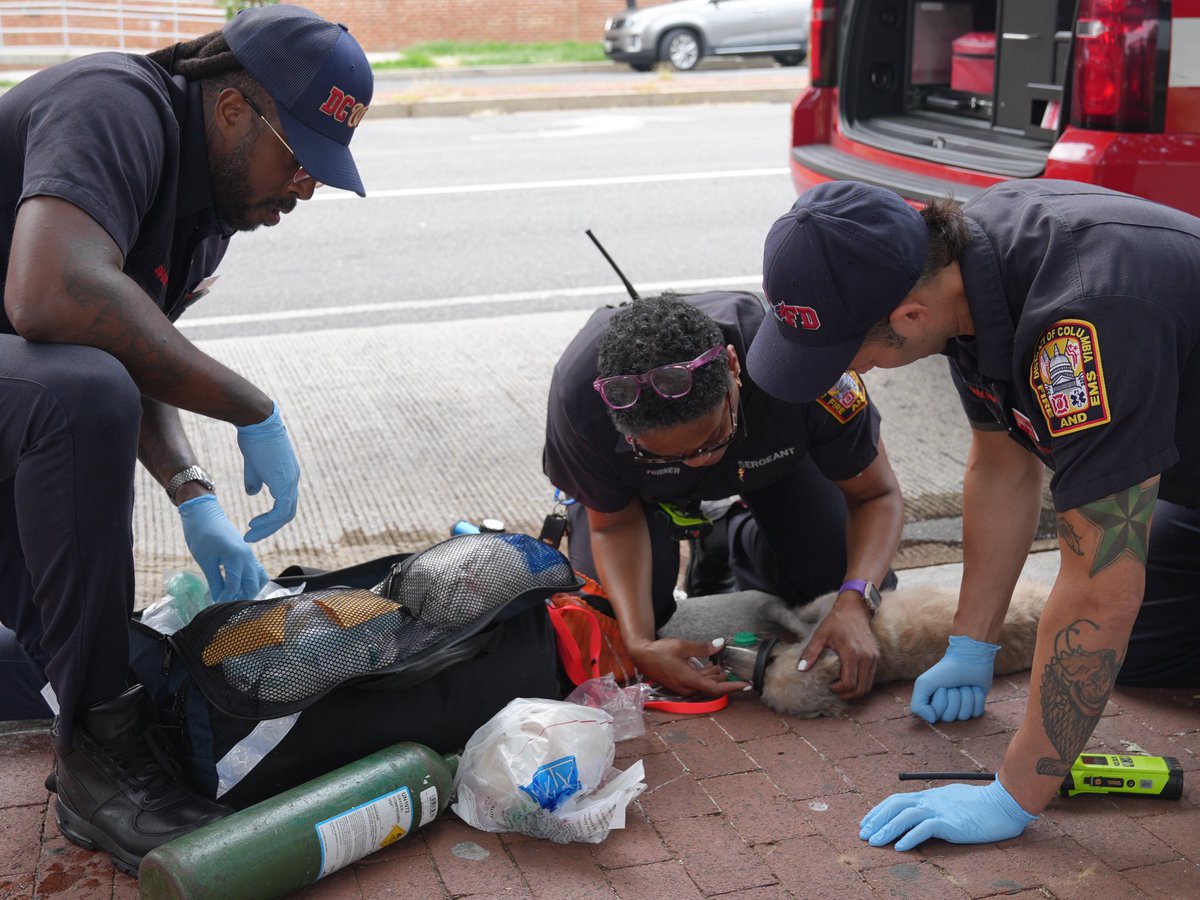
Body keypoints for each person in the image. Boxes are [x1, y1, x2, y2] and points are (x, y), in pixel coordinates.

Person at [0, 4, 373, 873]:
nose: (307, 186)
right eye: (302, 158)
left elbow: (128, 342)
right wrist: (252, 406)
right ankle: (98, 768)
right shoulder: (114, 105)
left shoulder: (205, 222)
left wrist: (193, 489)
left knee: (87, 648)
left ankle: (95, 716)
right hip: (27, 406)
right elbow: (53, 296)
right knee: (78, 398)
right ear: (236, 110)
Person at [747, 178, 1200, 851]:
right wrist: (971, 643)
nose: (859, 374)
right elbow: (1002, 464)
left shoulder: (1081, 321)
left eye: (848, 358)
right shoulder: (962, 274)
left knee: (1104, 619)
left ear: (907, 317)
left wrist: (1015, 793)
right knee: (1130, 657)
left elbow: (1101, 588)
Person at [543, 291, 904, 698]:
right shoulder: (578, 398)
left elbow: (876, 496)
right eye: (668, 453)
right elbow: (613, 525)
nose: (696, 463)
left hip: (773, 465)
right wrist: (641, 644)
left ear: (734, 369)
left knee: (843, 582)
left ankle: (735, 533)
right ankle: (697, 498)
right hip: (641, 500)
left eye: (712, 438)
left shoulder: (800, 363)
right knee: (611, 623)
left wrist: (855, 603)